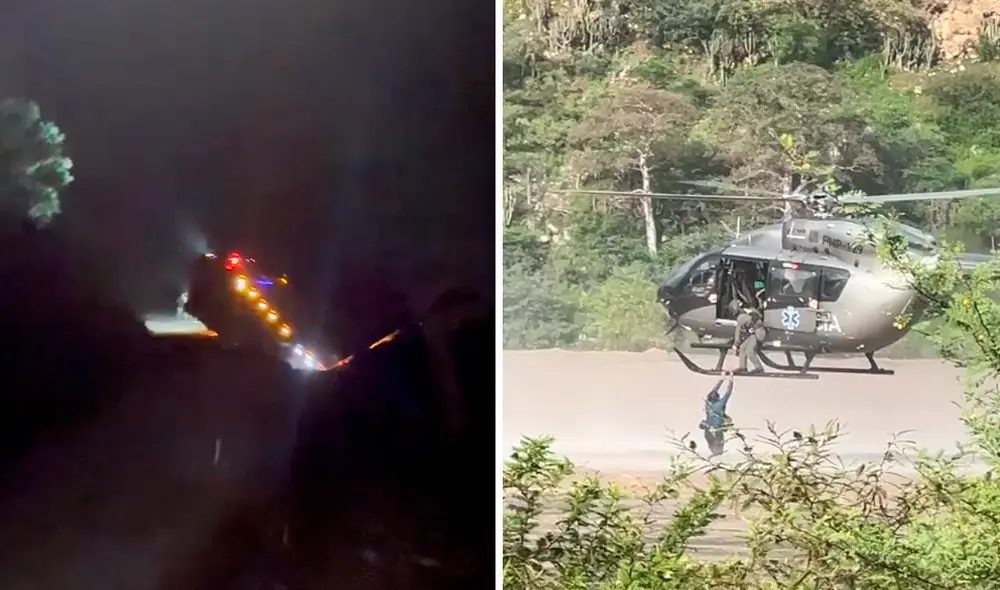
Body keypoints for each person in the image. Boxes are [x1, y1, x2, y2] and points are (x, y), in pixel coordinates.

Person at [700, 370, 734, 456]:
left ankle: (717, 452)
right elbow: (728, 393)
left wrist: (723, 379)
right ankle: (717, 452)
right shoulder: (720, 403)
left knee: (715, 443)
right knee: (716, 442)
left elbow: (714, 391)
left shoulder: (708, 403)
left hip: (710, 428)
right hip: (716, 428)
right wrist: (730, 379)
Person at [733, 302, 765, 373]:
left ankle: (759, 368)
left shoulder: (741, 317)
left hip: (755, 334)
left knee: (750, 351)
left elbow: (738, 330)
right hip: (752, 334)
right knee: (742, 349)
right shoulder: (753, 312)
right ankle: (742, 367)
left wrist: (736, 341)